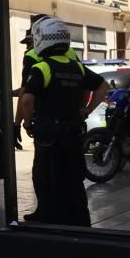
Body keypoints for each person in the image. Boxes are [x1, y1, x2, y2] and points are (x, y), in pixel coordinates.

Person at [18, 16, 108, 226]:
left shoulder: (42, 68)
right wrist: (86, 110)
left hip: (49, 135)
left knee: (45, 176)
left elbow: (28, 99)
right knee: (74, 180)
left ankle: (50, 219)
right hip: (74, 132)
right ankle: (80, 222)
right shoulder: (76, 67)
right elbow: (103, 86)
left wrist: (27, 122)